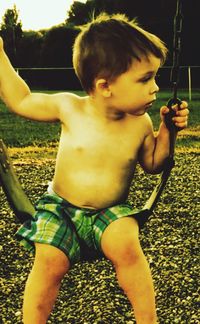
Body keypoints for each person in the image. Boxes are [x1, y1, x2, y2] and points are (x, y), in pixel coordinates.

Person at [0, 13, 189, 324]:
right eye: (145, 79)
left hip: (110, 213)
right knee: (49, 261)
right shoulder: (69, 108)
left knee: (126, 243)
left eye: (155, 76)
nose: (156, 88)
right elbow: (21, 100)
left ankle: (148, 320)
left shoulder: (140, 124)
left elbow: (155, 164)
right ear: (105, 86)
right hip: (59, 210)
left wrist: (168, 131)